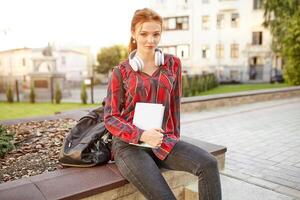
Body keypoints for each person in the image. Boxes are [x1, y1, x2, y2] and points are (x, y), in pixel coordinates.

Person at [104, 8, 222, 200]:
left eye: (155, 34)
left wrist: (172, 139)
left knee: (208, 164)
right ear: (133, 34)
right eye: (144, 34)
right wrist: (142, 135)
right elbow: (110, 117)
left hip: (162, 139)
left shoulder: (173, 64)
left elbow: (175, 105)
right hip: (129, 146)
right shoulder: (120, 72)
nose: (150, 40)